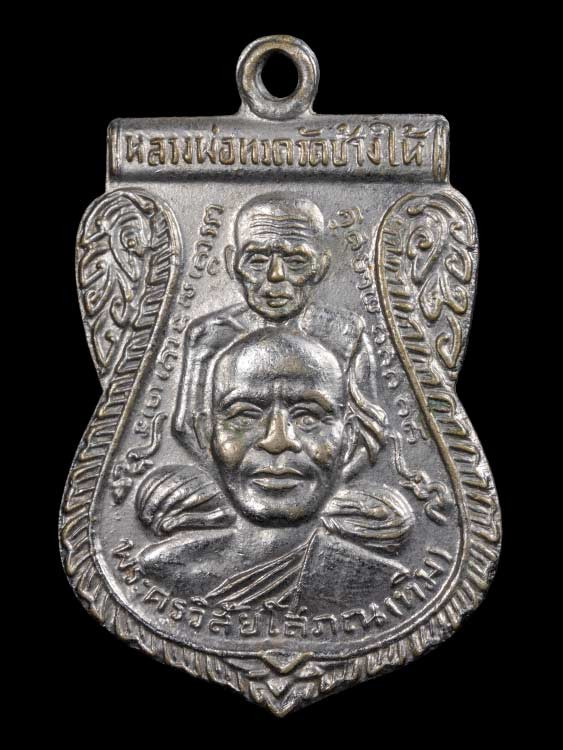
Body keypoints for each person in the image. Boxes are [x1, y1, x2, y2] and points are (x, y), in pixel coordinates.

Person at [138, 327, 414, 615]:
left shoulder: (383, 583)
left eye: (308, 417)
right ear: (208, 433)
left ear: (349, 437)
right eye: (244, 414)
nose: (277, 440)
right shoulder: (161, 572)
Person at [174, 192, 380, 481]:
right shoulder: (209, 337)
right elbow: (187, 428)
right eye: (257, 260)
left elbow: (370, 434)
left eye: (296, 260)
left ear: (321, 266)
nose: (275, 275)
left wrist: (326, 490)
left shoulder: (344, 335)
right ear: (233, 263)